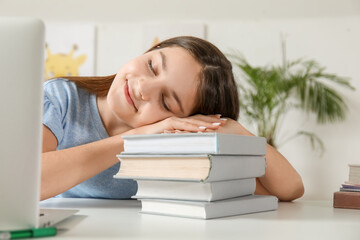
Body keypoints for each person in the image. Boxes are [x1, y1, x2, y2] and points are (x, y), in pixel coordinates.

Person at [41, 36, 304, 201]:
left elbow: (289, 189)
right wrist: (132, 139)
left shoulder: (173, 148)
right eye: (152, 66)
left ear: (187, 122)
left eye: (166, 101)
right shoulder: (60, 98)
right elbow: (29, 182)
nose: (143, 88)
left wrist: (237, 132)